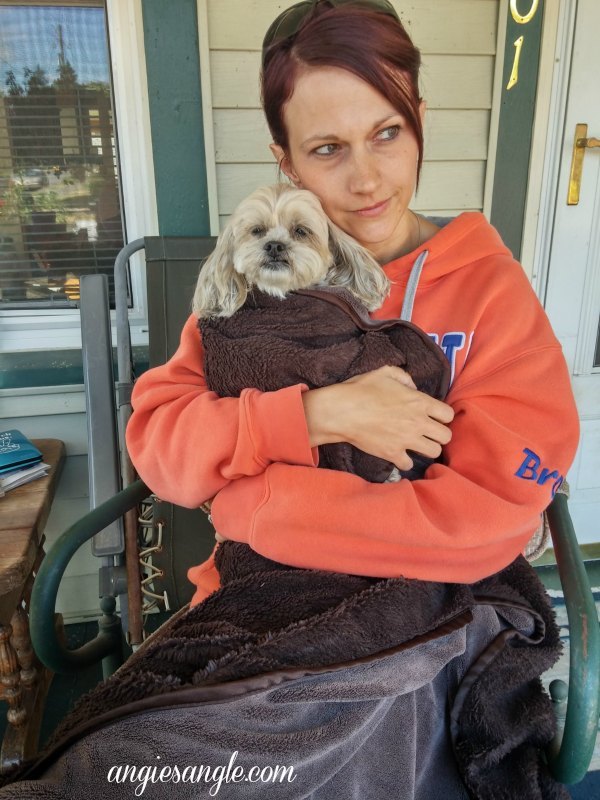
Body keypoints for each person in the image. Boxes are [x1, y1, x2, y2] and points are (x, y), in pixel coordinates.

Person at [126, 0, 579, 609]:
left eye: (386, 133)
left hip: (427, 608)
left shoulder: (490, 290)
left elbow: (485, 521)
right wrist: (317, 415)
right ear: (285, 162)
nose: (366, 181)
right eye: (327, 149)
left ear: (419, 121)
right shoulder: (256, 290)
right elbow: (164, 449)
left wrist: (253, 503)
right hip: (253, 596)